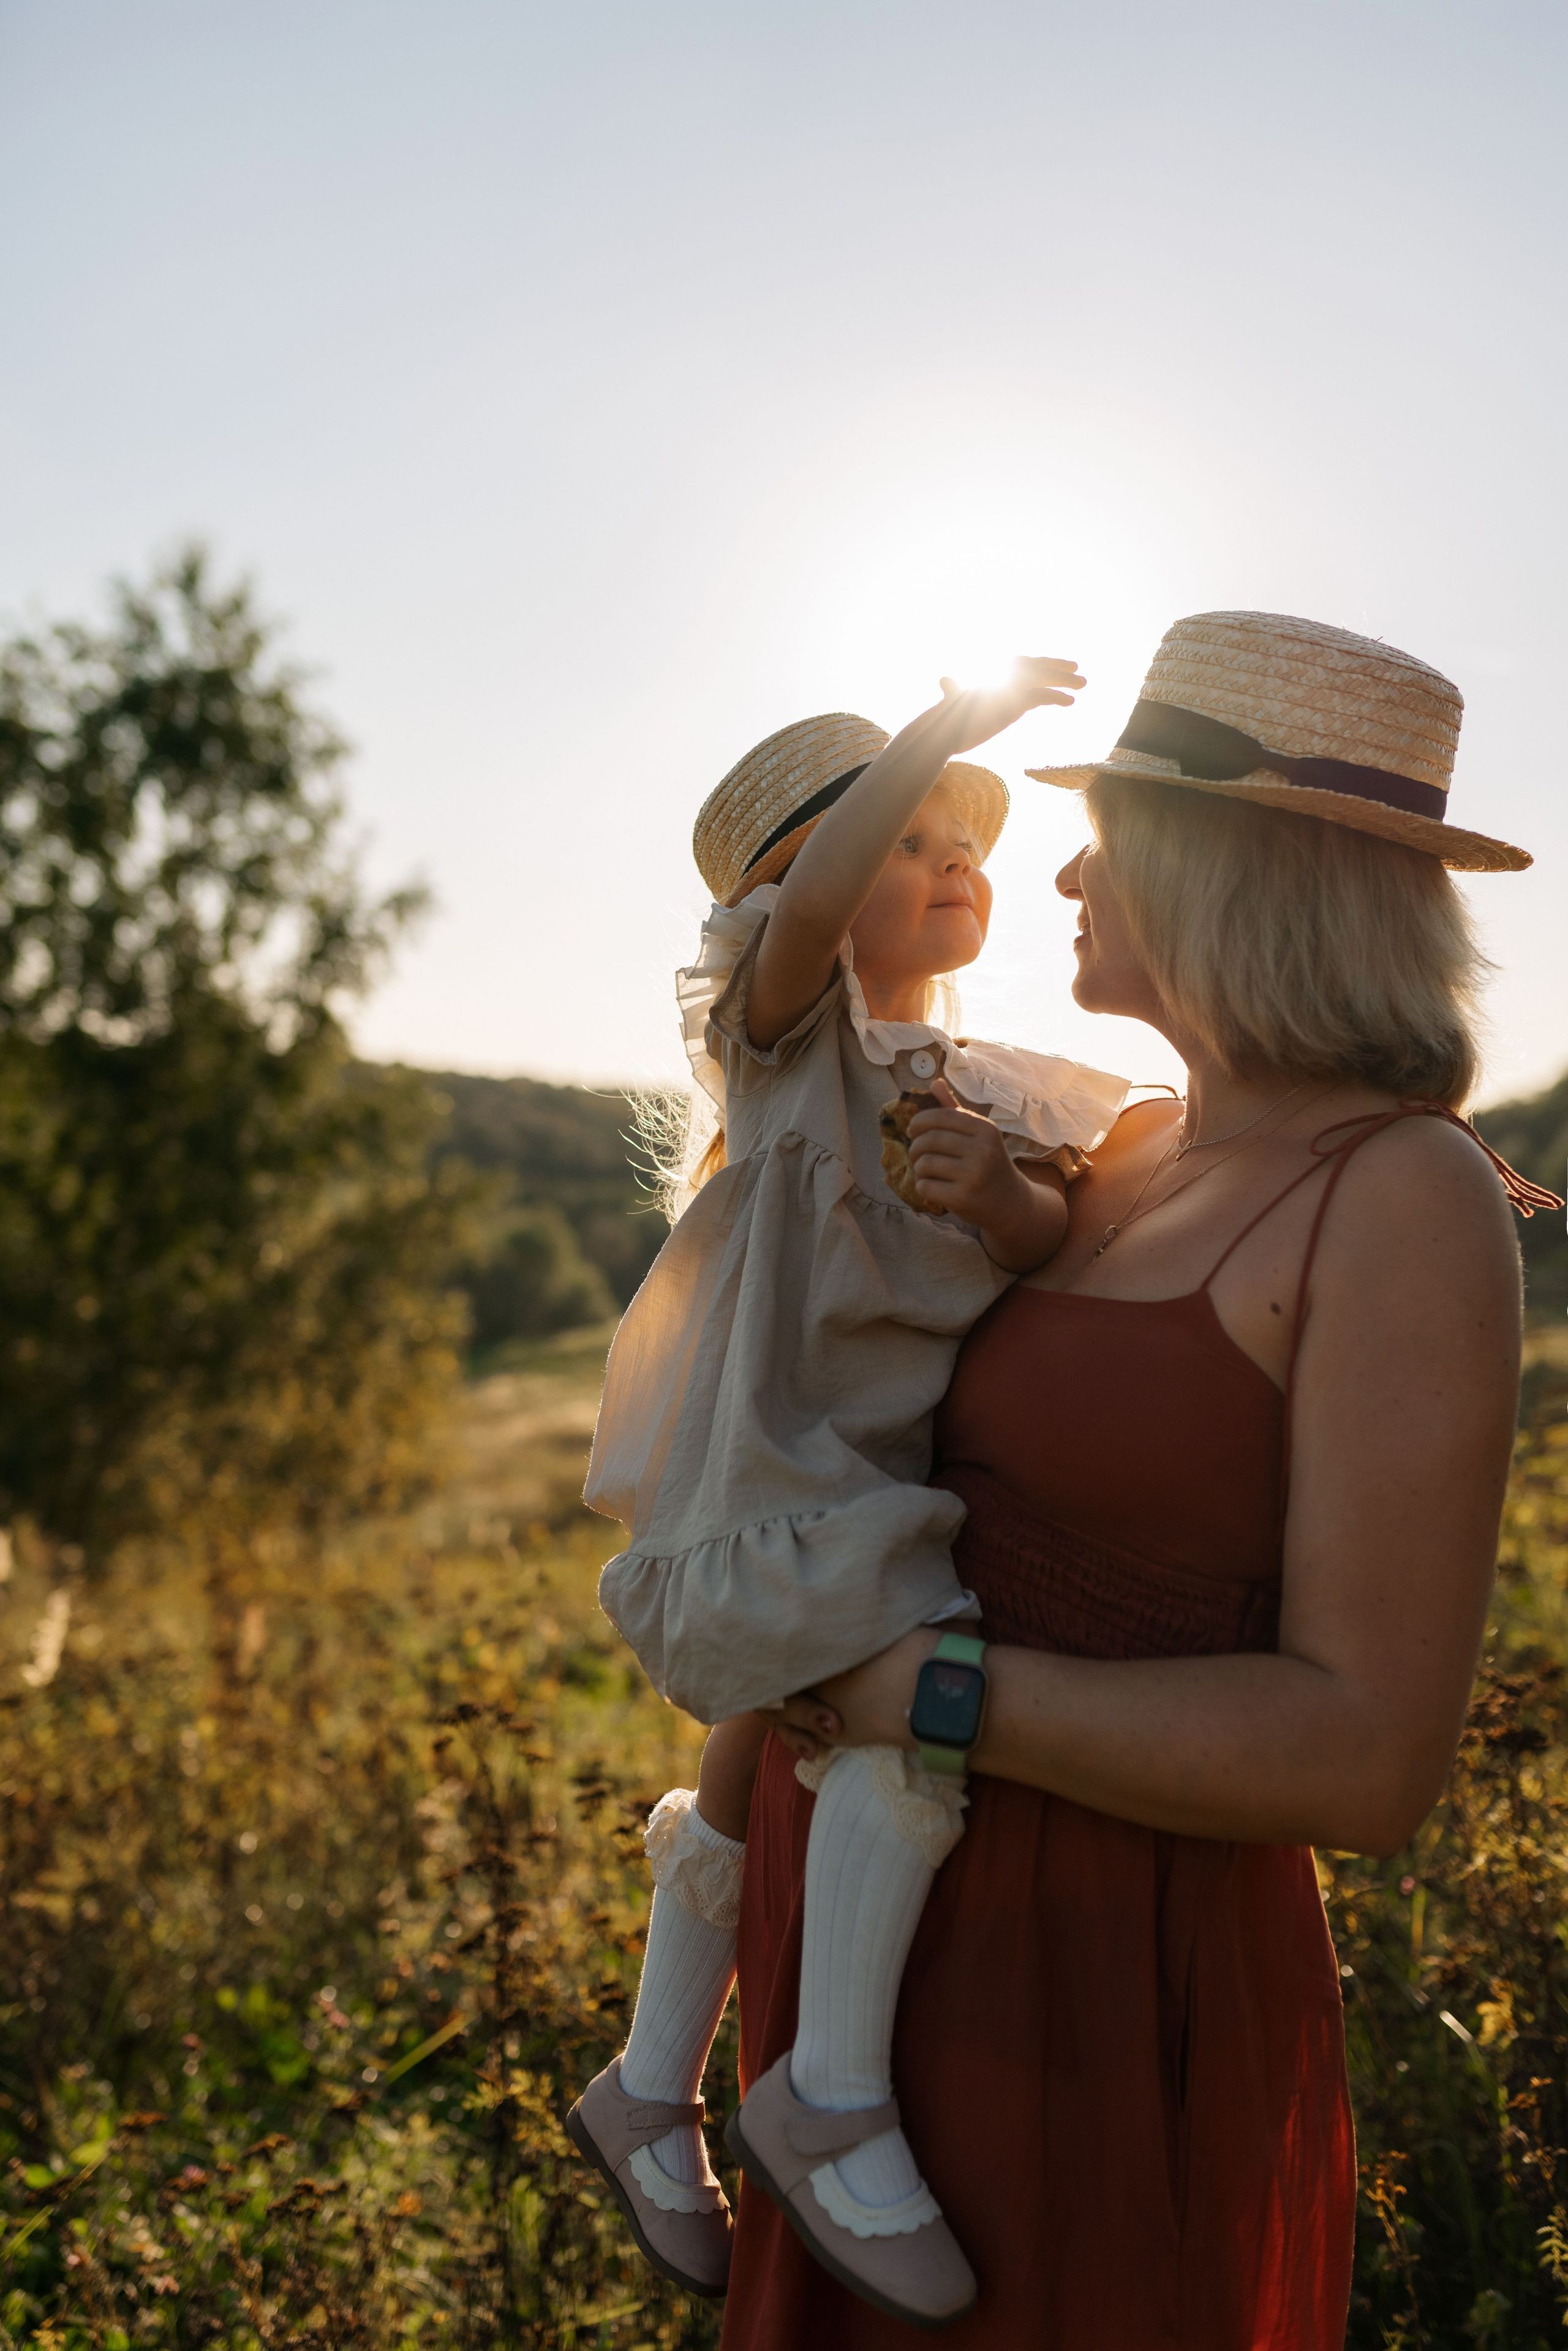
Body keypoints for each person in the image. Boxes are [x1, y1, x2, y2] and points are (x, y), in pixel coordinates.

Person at [722, 609, 1562, 2349]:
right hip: (872, 1937)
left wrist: (919, 1693)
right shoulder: (1118, 1149)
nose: (1064, 875)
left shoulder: (1402, 1193)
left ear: (1234, 873)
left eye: (1111, 834)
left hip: (1095, 1974)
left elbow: (1367, 1754)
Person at [567, 676, 1127, 2322]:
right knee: (919, 1695)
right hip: (776, 1475)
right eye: (908, 836)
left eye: (968, 842)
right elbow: (813, 910)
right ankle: (830, 2090)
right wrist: (947, 725)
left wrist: (1008, 1203)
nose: (954, 860)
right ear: (787, 894)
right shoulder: (788, 1041)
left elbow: (1042, 1238)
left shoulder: (984, 1082)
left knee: (763, 1740)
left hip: (872, 1472)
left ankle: (649, 2084)